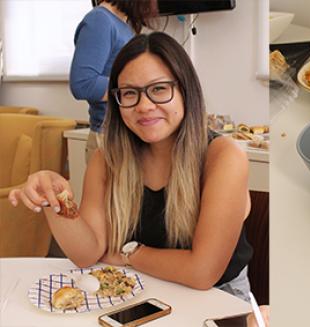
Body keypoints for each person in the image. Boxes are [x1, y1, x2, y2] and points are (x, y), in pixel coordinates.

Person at [10, 32, 255, 301]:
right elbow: (87, 254)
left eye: (159, 89)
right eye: (130, 93)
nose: (144, 106)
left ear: (185, 90)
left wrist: (128, 253)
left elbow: (202, 273)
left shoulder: (224, 157)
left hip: (218, 298)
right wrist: (54, 198)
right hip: (140, 290)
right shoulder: (107, 160)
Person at [69, 0, 157, 163]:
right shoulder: (100, 21)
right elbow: (83, 84)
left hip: (125, 135)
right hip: (110, 138)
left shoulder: (122, 25)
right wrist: (135, 89)